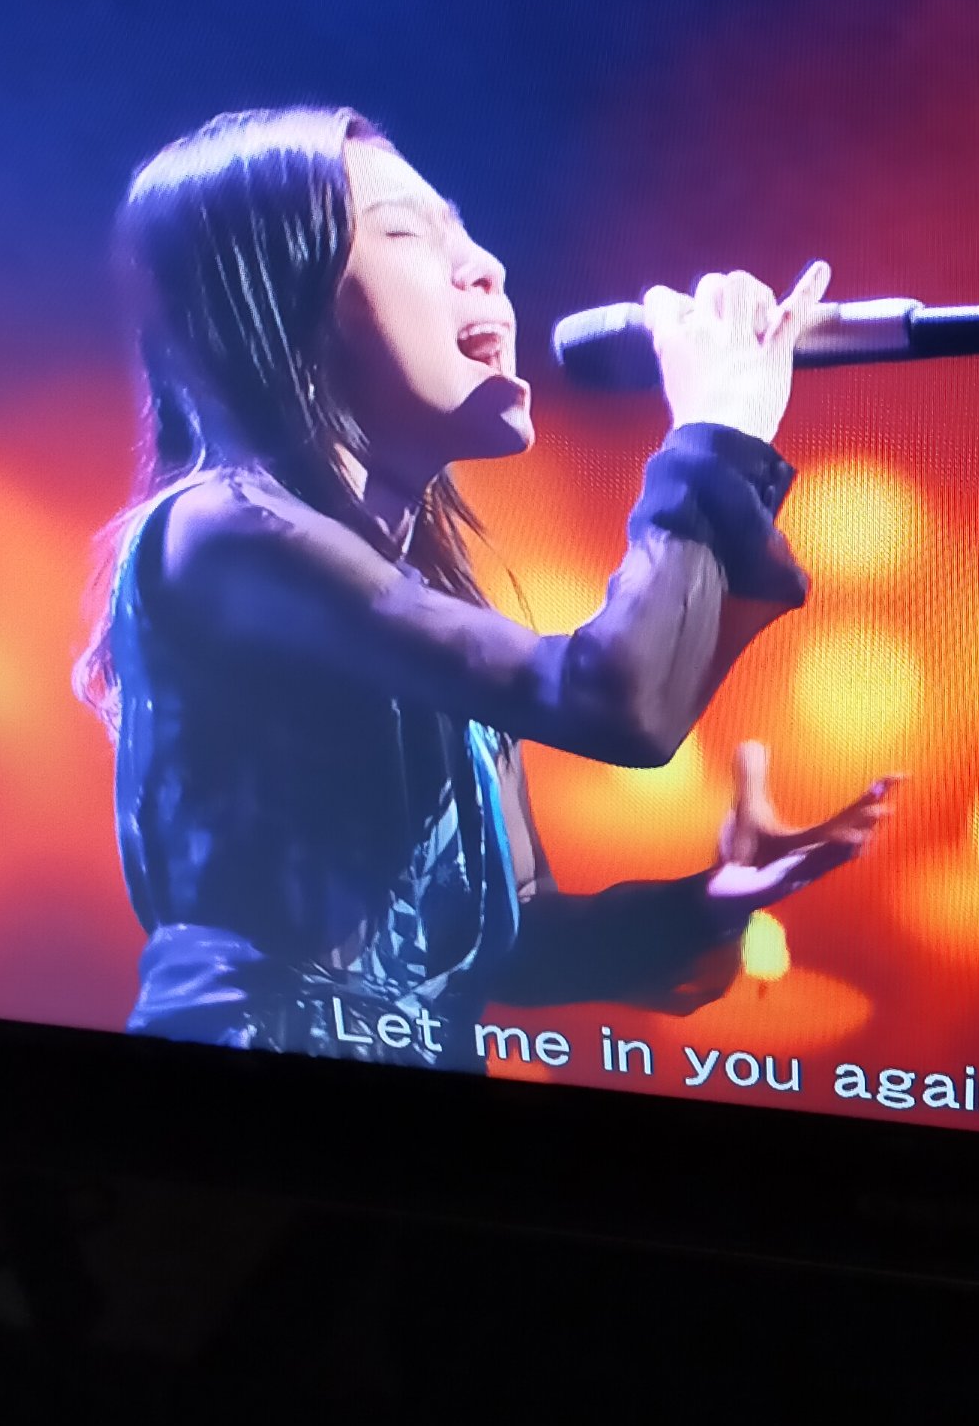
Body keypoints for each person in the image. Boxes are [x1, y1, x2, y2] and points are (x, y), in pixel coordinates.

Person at [76, 104, 887, 1067]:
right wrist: (716, 430)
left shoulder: (423, 592)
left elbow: (511, 942)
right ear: (278, 301)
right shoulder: (218, 531)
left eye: (465, 232)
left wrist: (708, 905)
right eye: (408, 233)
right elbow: (615, 704)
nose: (486, 268)